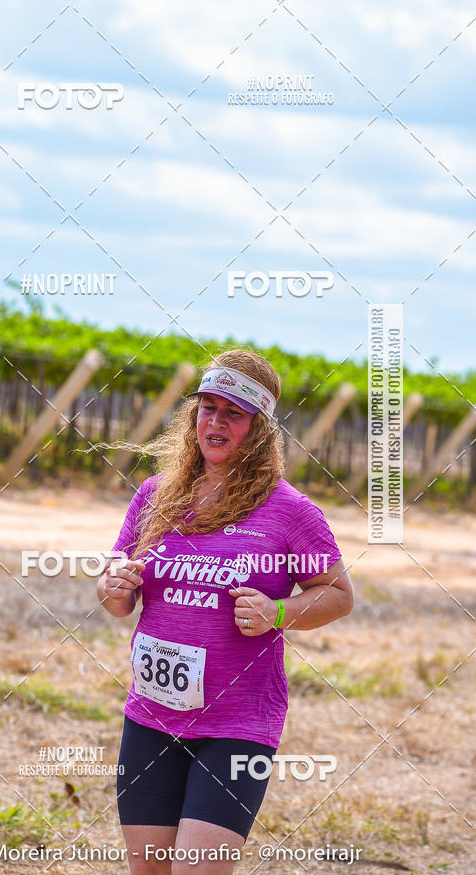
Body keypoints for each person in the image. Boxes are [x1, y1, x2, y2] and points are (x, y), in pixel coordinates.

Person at [97, 349, 354, 874]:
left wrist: (278, 612)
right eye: (206, 407)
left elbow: (338, 594)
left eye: (232, 413)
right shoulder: (155, 496)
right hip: (152, 714)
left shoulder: (290, 512)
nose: (214, 422)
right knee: (147, 869)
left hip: (238, 725)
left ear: (258, 428)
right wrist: (112, 585)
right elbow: (116, 601)